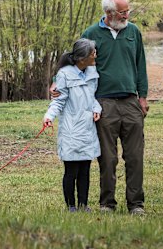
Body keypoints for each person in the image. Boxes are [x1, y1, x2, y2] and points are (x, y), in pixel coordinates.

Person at [51, 0, 149, 215]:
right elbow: (75, 60)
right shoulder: (91, 33)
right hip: (103, 102)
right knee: (107, 157)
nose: (127, 15)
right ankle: (107, 203)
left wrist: (142, 96)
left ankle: (136, 204)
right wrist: (56, 82)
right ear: (109, 13)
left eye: (127, 11)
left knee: (134, 155)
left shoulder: (133, 32)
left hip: (131, 101)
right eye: (122, 12)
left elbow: (140, 64)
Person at [43, 38, 102, 213]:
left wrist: (96, 108)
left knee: (85, 170)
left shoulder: (92, 73)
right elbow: (58, 101)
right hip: (71, 130)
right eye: (93, 52)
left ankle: (84, 205)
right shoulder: (64, 75)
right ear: (83, 57)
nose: (96, 54)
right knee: (71, 171)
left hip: (88, 129)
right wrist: (49, 116)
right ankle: (71, 206)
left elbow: (92, 98)